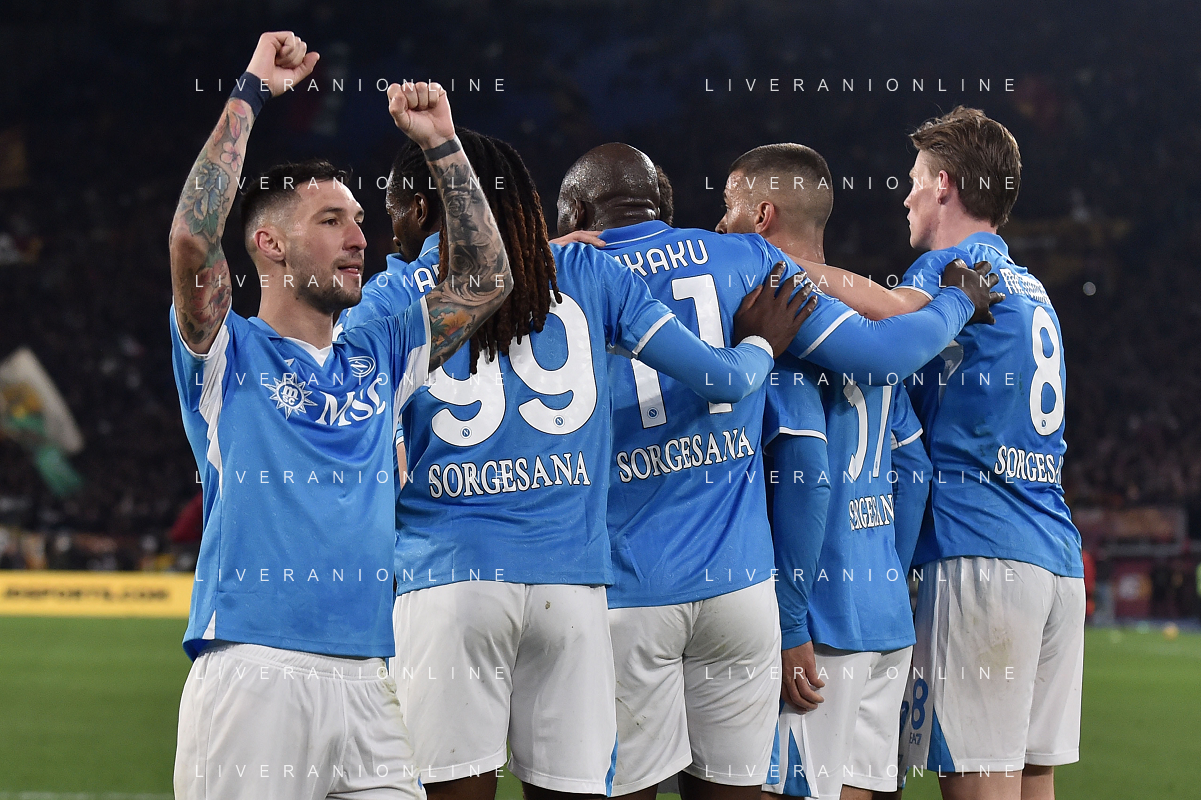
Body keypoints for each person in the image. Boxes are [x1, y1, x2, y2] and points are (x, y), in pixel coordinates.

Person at [342, 128, 814, 800]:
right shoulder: (586, 271)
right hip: (573, 586)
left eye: (392, 212)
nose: (387, 232)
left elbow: (361, 459)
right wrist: (761, 344)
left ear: (420, 208)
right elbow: (723, 379)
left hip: (450, 579)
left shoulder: (388, 300)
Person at [555, 143, 998, 800]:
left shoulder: (559, 271)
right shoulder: (744, 261)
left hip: (628, 584)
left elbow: (805, 462)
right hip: (745, 592)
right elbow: (886, 372)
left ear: (575, 215)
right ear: (663, 208)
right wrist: (954, 303)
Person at [168, 32, 512, 800]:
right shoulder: (227, 352)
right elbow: (192, 237)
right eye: (330, 221)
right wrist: (252, 91)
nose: (360, 239)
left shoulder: (380, 351)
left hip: (368, 675)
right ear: (270, 245)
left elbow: (487, 279)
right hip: (255, 668)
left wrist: (443, 143)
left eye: (359, 219)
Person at [800, 107, 1084, 800]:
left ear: (945, 185)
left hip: (980, 552)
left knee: (979, 778)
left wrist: (772, 262)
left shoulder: (953, 268)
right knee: (1032, 776)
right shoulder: (1031, 287)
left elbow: (887, 316)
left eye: (914, 180)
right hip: (1056, 560)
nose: (904, 197)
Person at [722, 144, 933, 800]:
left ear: (762, 216)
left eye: (728, 206)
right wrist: (891, 572)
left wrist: (790, 622)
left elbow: (807, 469)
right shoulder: (866, 322)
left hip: (818, 623)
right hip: (884, 620)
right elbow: (914, 467)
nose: (720, 223)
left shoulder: (779, 325)